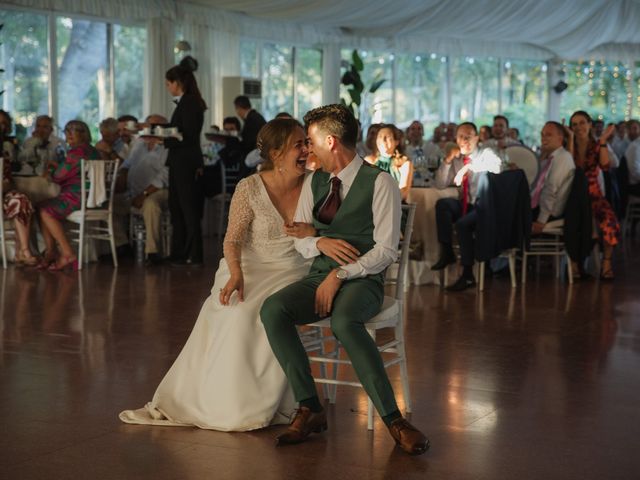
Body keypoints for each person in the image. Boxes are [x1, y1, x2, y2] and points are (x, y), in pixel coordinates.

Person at [119, 118, 314, 431]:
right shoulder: (249, 187)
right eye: (299, 145)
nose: (307, 149)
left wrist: (313, 230)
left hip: (292, 268)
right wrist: (235, 274)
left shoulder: (316, 184)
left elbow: (331, 231)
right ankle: (219, 398)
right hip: (249, 264)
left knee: (264, 312)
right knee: (233, 311)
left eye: (307, 142)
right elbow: (232, 238)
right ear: (276, 153)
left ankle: (266, 401)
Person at [260, 104, 429, 455]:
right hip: (318, 275)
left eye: (311, 142)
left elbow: (385, 250)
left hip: (363, 281)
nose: (307, 149)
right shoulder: (314, 181)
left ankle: (394, 420)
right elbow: (299, 236)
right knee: (273, 309)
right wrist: (320, 240)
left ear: (332, 141)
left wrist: (340, 273)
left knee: (344, 321)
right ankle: (310, 407)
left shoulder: (380, 182)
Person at [430, 122, 502, 291]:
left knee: (463, 224)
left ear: (477, 138)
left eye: (469, 136)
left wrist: (469, 167)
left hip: (484, 206)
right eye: (461, 137)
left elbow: (497, 167)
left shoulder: (486, 153)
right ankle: (446, 250)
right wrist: (447, 161)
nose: (465, 140)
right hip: (465, 204)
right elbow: (440, 184)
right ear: (456, 139)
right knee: (443, 204)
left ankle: (468, 274)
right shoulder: (456, 158)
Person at [37, 120, 100, 271]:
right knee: (40, 206)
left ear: (84, 134)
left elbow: (59, 177)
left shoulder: (76, 153)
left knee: (45, 212)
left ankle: (67, 253)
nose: (69, 133)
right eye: (67, 130)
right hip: (91, 196)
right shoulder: (92, 151)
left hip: (77, 197)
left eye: (74, 130)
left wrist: (51, 170)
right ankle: (51, 251)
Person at [164, 56, 207, 267]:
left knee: (187, 209)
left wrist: (164, 139)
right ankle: (180, 252)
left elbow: (188, 136)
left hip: (185, 162)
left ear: (177, 83)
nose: (167, 87)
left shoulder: (189, 103)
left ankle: (193, 254)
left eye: (168, 83)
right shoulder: (187, 103)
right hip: (180, 161)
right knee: (177, 208)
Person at [567, 111, 620, 280]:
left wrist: (603, 141)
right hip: (574, 195)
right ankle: (576, 264)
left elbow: (605, 165)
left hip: (594, 194)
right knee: (575, 221)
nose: (578, 127)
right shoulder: (569, 145)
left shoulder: (597, 144)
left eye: (582, 123)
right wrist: (569, 139)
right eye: (574, 124)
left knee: (609, 220)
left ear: (589, 124)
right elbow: (568, 168)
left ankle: (606, 262)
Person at [112, 114, 170, 265]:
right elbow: (128, 163)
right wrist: (123, 172)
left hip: (157, 191)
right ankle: (123, 245)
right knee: (110, 204)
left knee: (150, 205)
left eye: (155, 126)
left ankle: (152, 251)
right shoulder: (139, 143)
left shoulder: (167, 147)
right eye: (148, 124)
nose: (150, 128)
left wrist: (144, 194)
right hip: (133, 192)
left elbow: (164, 177)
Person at [530, 122, 575, 235]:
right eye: (542, 135)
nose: (543, 138)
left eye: (548, 135)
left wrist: (541, 220)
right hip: (541, 206)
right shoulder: (552, 157)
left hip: (550, 213)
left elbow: (550, 190)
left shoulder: (563, 158)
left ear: (560, 138)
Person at [2, 152, 38, 265]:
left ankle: (23, 251)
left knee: (21, 200)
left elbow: (8, 183)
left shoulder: (3, 157)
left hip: (1, 196)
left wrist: (2, 185)